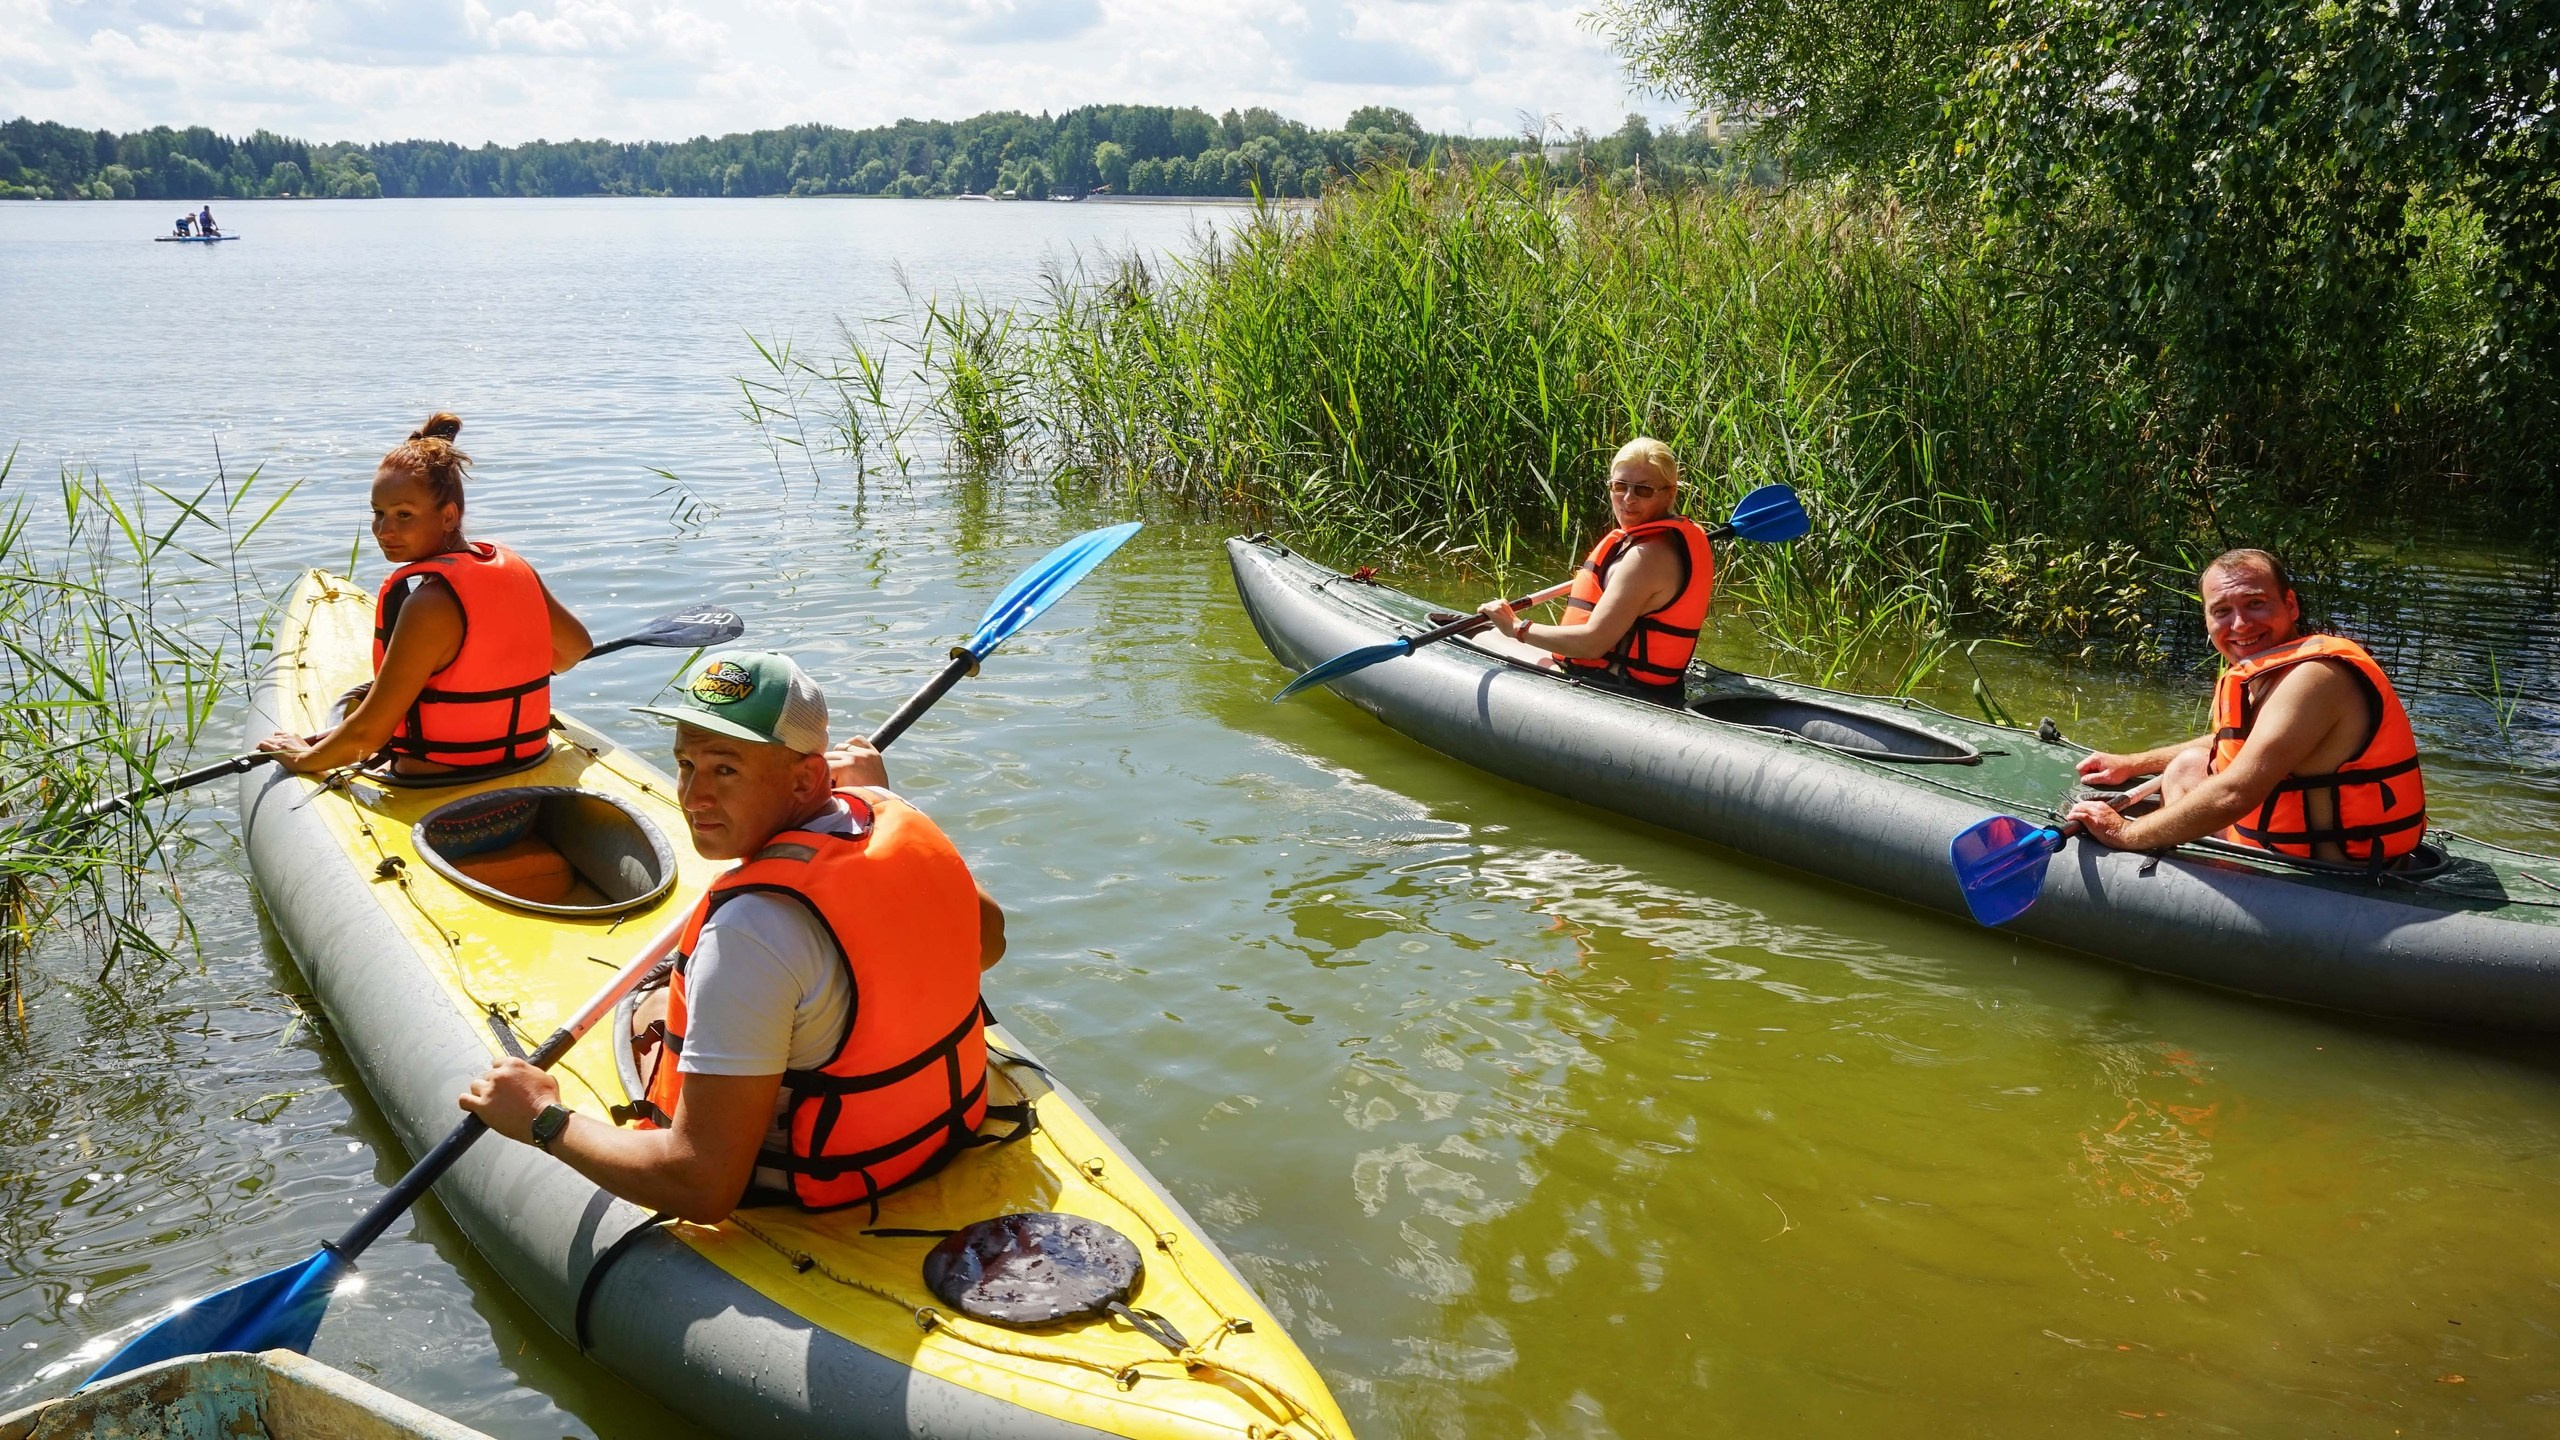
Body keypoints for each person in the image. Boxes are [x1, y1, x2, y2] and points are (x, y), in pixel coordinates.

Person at [457, 652, 1009, 1224]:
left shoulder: (747, 932)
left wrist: (542, 1117)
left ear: (805, 779)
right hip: (939, 1130)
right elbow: (986, 944)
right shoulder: (890, 814)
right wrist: (881, 800)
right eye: (685, 764)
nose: (694, 797)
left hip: (808, 1189)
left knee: (648, 1008)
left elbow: (700, 1185)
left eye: (726, 770)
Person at [257, 413, 591, 777]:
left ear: (448, 516)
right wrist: (489, 678)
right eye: (378, 513)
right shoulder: (513, 567)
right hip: (524, 776)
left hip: (440, 795)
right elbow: (575, 648)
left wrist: (301, 758)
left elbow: (366, 736)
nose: (384, 530)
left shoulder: (428, 605)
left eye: (404, 515)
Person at [2067, 548, 2427, 867]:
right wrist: (2133, 763)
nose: (2240, 624)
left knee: (2193, 779)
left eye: (2255, 603)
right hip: (2291, 848)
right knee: (2189, 766)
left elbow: (2234, 793)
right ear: (2207, 620)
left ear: (2290, 605)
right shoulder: (2273, 670)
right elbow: (2234, 744)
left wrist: (2122, 834)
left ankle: (2204, 890)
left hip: (2326, 874)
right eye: (2222, 611)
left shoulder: (2315, 676)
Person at [1475, 437, 1716, 703]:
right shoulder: (1660, 543)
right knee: (1490, 634)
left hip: (1616, 688)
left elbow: (1592, 644)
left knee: (1484, 637)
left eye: (1643, 490)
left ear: (1670, 493)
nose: (1627, 499)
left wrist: (1516, 627)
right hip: (1647, 685)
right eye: (1619, 485)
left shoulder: (1646, 557)